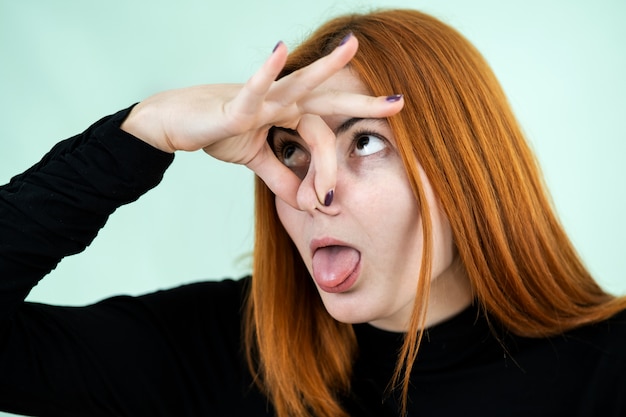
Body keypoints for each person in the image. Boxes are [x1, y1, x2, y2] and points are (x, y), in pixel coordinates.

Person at [1, 8, 625, 417]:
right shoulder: (224, 350)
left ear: (466, 165)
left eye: (365, 142)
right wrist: (142, 132)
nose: (313, 191)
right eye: (292, 150)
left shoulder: (607, 372)